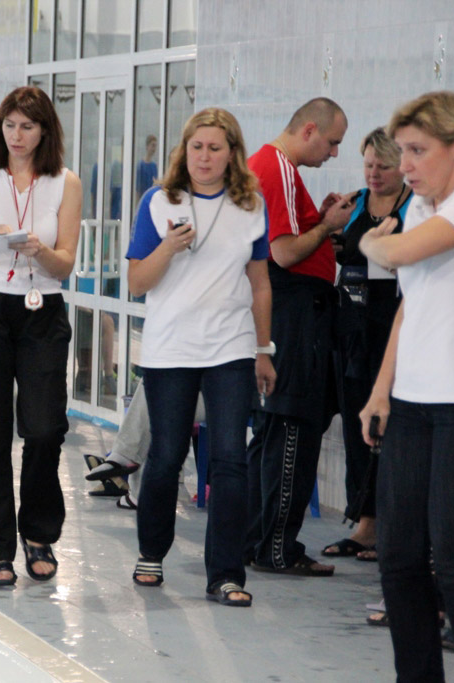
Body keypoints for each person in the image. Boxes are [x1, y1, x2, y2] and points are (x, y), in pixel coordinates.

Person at [359, 90, 454, 683]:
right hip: (413, 403)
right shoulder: (424, 207)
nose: (405, 165)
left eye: (418, 151)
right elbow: (410, 306)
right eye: (402, 151)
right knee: (398, 559)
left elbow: (393, 253)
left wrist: (371, 239)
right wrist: (381, 391)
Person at [124, 108, 274, 606]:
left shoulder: (251, 206)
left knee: (230, 458)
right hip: (171, 348)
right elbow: (137, 282)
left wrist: (263, 349)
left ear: (232, 154)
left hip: (231, 346)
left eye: (214, 148)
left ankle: (226, 574)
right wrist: (168, 247)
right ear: (183, 151)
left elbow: (260, 283)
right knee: (167, 455)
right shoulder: (158, 202)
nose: (204, 157)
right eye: (196, 147)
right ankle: (151, 552)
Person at [0, 85, 82, 587]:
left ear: (44, 130)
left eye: (27, 126)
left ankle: (39, 533)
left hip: (41, 309)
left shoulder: (65, 182)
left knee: (44, 428)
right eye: (10, 125)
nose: (17, 135)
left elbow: (65, 264)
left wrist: (39, 251)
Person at [244, 97, 355, 577]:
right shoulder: (279, 169)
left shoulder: (271, 167)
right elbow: (285, 253)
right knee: (293, 430)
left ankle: (257, 541)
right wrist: (327, 227)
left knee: (273, 435)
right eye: (332, 142)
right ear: (309, 130)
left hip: (288, 315)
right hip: (294, 317)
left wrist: (317, 221)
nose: (333, 153)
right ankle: (277, 548)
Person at [321, 128, 412, 563]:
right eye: (369, 165)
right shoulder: (355, 202)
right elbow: (338, 250)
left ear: (404, 167)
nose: (374, 174)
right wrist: (329, 230)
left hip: (393, 327)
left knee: (392, 428)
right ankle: (366, 523)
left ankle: (396, 525)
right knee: (358, 427)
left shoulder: (415, 207)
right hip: (351, 327)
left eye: (384, 167)